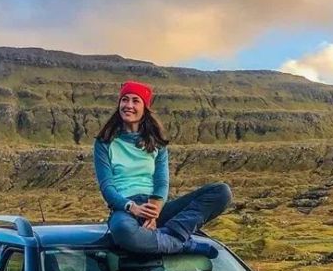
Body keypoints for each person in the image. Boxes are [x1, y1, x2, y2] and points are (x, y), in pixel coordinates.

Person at [94, 80, 232, 257]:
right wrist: (131, 207)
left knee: (221, 192)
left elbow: (161, 182)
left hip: (156, 208)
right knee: (123, 231)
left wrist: (154, 212)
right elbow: (107, 186)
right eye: (124, 100)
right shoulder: (104, 143)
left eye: (135, 101)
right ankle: (182, 243)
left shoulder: (157, 144)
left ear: (145, 108)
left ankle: (171, 234)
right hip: (126, 210)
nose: (128, 105)